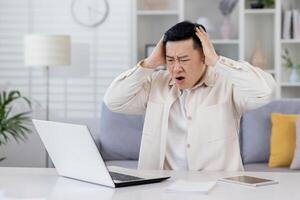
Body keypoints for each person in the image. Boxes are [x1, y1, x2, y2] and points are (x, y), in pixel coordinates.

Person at [104, 21, 276, 171]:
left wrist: (216, 61)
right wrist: (149, 64)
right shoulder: (155, 83)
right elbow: (113, 101)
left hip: (218, 189)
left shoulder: (226, 84)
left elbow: (264, 91)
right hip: (160, 188)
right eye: (170, 60)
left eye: (184, 59)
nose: (176, 68)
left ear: (203, 56)